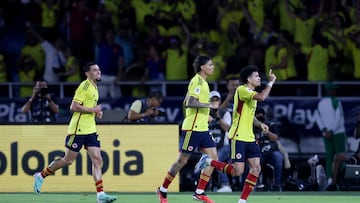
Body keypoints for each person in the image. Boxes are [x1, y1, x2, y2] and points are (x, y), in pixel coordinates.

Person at [32, 62, 117, 203]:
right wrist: (93, 110)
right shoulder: (84, 86)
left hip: (91, 130)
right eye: (95, 70)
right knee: (68, 160)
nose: (99, 72)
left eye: (99, 69)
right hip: (78, 130)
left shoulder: (95, 87)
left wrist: (97, 113)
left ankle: (100, 195)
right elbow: (74, 106)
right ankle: (41, 175)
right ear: (87, 73)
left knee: (98, 160)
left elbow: (89, 107)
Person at [195, 65, 276, 203]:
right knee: (237, 171)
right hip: (238, 137)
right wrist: (271, 82)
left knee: (256, 168)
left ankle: (242, 201)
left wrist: (259, 124)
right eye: (256, 76)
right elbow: (262, 97)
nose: (259, 78)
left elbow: (250, 117)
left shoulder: (250, 93)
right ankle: (208, 161)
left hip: (250, 137)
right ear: (249, 79)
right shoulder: (242, 90)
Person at [156, 55, 216, 203]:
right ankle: (162, 189)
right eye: (210, 64)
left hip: (202, 127)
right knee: (182, 161)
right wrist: (207, 106)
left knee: (214, 158)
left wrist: (204, 115)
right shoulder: (197, 81)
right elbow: (190, 102)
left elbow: (185, 101)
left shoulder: (204, 82)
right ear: (202, 67)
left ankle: (199, 192)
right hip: (193, 128)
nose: (213, 67)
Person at [316, 82, 348, 191]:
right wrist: (331, 130)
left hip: (327, 134)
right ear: (330, 90)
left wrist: (324, 130)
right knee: (341, 156)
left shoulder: (320, 103)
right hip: (337, 133)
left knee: (330, 156)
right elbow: (338, 118)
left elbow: (317, 118)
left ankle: (331, 179)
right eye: (334, 89)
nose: (336, 91)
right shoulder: (335, 101)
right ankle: (339, 180)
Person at [255, 107, 291, 191]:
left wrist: (266, 131)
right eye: (258, 115)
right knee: (255, 161)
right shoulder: (252, 125)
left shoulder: (270, 124)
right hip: (258, 153)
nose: (260, 117)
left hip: (270, 152)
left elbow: (275, 138)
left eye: (261, 115)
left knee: (278, 157)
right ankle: (255, 185)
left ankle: (276, 185)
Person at [208, 90, 232, 192]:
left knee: (216, 158)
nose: (214, 102)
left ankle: (225, 185)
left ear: (220, 101)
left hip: (225, 146)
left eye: (216, 100)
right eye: (212, 100)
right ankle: (202, 186)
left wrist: (217, 116)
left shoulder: (225, 113)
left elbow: (226, 128)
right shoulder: (204, 114)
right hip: (209, 146)